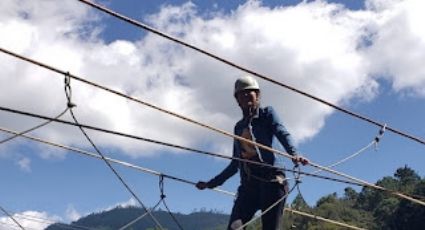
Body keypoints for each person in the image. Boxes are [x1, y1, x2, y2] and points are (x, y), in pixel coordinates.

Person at [196, 75, 309, 230]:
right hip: (249, 186)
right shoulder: (238, 127)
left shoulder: (266, 114)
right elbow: (235, 163)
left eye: (250, 92)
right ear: (237, 100)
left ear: (258, 95)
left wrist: (294, 154)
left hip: (271, 182)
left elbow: (282, 132)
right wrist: (211, 184)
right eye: (241, 94)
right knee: (234, 228)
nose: (246, 96)